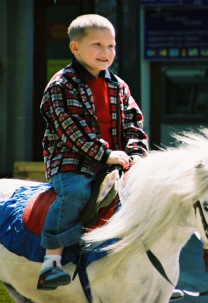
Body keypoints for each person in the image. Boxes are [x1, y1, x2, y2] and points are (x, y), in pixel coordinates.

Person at [38, 14, 149, 290]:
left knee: (147, 195)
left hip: (114, 160)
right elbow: (71, 130)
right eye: (97, 45)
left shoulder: (118, 85)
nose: (106, 52)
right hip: (72, 161)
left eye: (111, 46)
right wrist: (105, 154)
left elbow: (134, 122)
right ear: (75, 48)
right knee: (76, 193)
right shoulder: (62, 85)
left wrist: (135, 154)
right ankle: (51, 261)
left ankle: (147, 270)